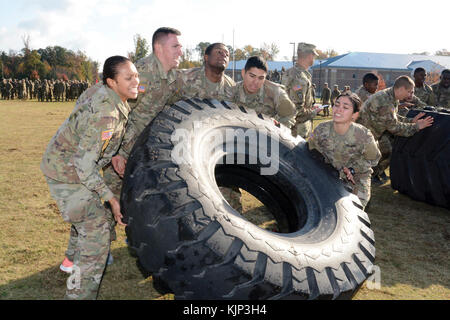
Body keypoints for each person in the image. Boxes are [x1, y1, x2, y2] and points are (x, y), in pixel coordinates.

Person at [41, 56, 139, 299]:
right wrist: (111, 199)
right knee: (97, 235)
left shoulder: (105, 94)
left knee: (90, 221)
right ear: (111, 82)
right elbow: (84, 164)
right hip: (67, 173)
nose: (136, 81)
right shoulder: (108, 114)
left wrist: (113, 154)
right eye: (128, 78)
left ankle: (71, 261)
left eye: (136, 75)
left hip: (69, 165)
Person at [110, 27, 183, 190]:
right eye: (175, 47)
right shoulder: (141, 73)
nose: (181, 52)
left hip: (144, 148)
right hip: (121, 151)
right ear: (159, 48)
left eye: (180, 47)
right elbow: (116, 115)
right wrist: (117, 153)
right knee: (114, 199)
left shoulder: (171, 76)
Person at [309, 93, 381, 208]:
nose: (339, 110)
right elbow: (311, 152)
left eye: (345, 107)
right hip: (329, 174)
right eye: (336, 105)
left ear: (355, 115)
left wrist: (352, 169)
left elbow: (374, 159)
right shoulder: (321, 130)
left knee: (354, 212)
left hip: (356, 177)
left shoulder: (363, 135)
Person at [357, 75, 434, 184]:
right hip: (362, 136)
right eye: (409, 92)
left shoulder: (391, 96)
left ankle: (373, 174)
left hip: (372, 132)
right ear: (401, 89)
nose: (411, 95)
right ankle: (367, 175)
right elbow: (395, 128)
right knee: (372, 156)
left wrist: (411, 121)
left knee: (387, 151)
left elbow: (394, 117)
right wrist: (417, 126)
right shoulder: (386, 101)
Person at [232, 56, 296, 127]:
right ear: (243, 73)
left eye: (261, 78)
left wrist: (276, 126)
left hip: (266, 135)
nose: (256, 82)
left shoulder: (276, 92)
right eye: (252, 76)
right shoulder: (232, 91)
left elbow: (289, 116)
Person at [282, 42, 321, 139]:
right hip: (297, 132)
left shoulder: (290, 72)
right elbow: (297, 110)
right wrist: (314, 111)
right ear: (309, 56)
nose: (314, 59)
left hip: (289, 129)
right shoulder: (300, 78)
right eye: (314, 56)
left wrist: (310, 107)